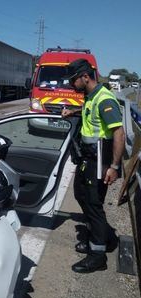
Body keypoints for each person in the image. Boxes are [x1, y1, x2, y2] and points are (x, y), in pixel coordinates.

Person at [62, 58, 125, 273]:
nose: (72, 85)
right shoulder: (91, 97)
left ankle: (97, 255)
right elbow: (92, 117)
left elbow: (118, 132)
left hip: (100, 160)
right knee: (81, 195)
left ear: (85, 77)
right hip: (88, 158)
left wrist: (114, 167)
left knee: (93, 203)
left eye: (73, 80)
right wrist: (74, 112)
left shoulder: (105, 99)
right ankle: (102, 238)